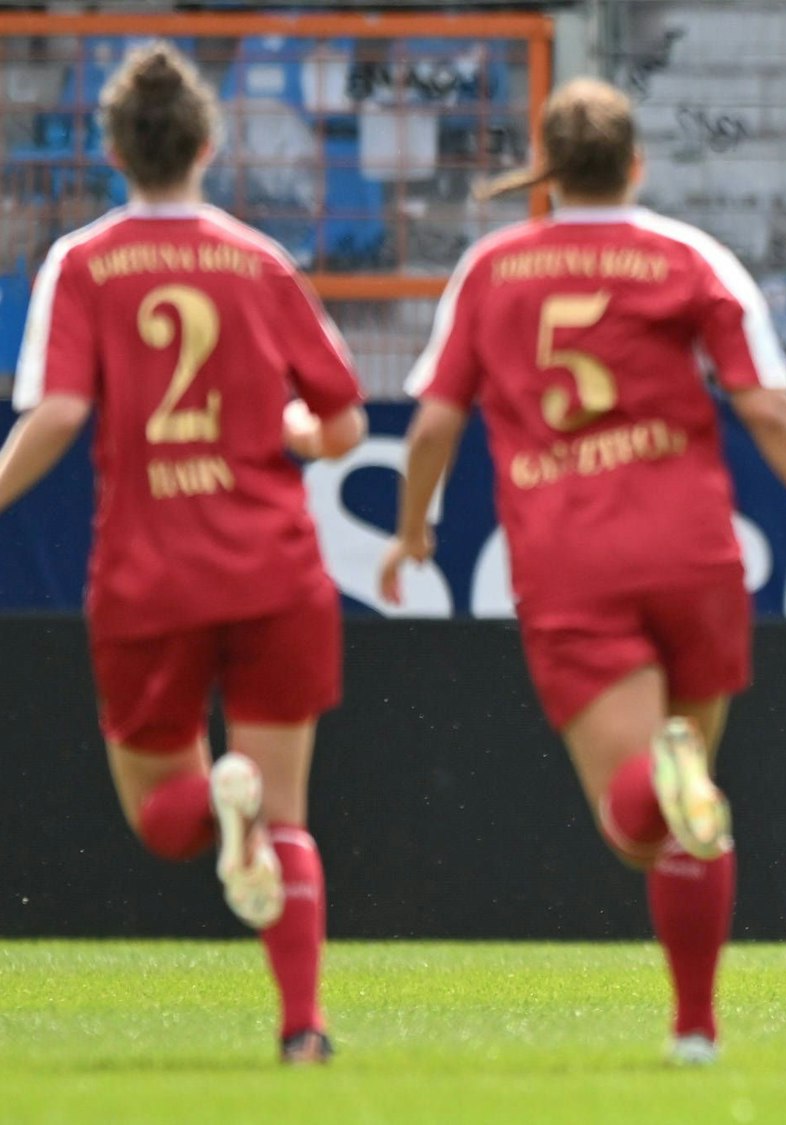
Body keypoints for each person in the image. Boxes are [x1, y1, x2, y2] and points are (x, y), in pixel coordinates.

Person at [377, 78, 786, 1066]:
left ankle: (667, 799)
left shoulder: (492, 270)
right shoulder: (691, 258)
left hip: (572, 562)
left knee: (640, 824)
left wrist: (410, 528)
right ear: (637, 164)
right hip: (693, 552)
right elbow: (766, 406)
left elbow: (434, 422)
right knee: (691, 813)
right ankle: (694, 1029)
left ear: (548, 171)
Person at [0, 44, 365, 1063]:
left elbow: (57, 412)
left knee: (166, 820)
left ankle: (217, 796)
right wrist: (293, 432)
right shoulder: (261, 260)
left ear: (115, 152)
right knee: (285, 819)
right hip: (272, 567)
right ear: (208, 146)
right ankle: (302, 1028)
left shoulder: (82, 262)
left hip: (149, 571)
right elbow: (342, 423)